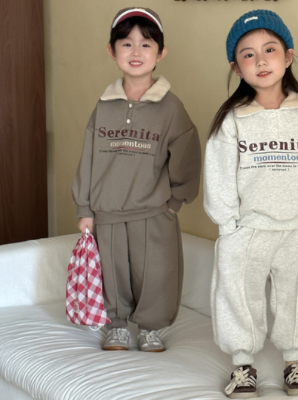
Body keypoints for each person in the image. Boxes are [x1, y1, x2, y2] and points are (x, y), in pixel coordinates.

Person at [203, 9, 298, 398]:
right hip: (246, 230)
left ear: (288, 56)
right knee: (237, 296)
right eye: (247, 54)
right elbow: (218, 174)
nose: (260, 61)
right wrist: (228, 226)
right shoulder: (232, 120)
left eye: (269, 49)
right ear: (236, 67)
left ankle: (295, 362)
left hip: (295, 230)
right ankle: (242, 365)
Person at [72, 7, 201, 353]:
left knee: (156, 273)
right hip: (107, 213)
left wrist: (174, 202)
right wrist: (85, 207)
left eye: (146, 44)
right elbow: (88, 158)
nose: (136, 52)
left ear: (161, 53)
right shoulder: (103, 106)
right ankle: (116, 326)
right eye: (126, 43)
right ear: (111, 50)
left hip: (154, 213)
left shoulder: (171, 108)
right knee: (111, 273)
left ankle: (150, 328)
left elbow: (187, 155)